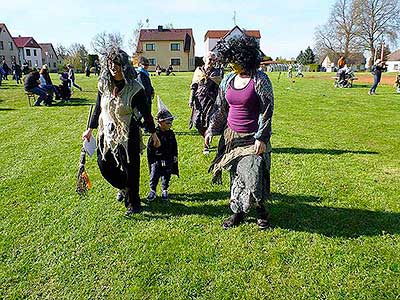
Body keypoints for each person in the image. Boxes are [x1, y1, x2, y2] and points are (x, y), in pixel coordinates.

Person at [205, 36, 274, 230]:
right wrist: (211, 130)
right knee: (236, 176)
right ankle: (238, 212)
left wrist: (262, 137)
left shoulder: (260, 79)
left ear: (245, 58)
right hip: (231, 138)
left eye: (234, 59)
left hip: (253, 138)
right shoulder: (228, 79)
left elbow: (267, 110)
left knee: (253, 176)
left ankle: (261, 211)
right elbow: (220, 109)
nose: (231, 63)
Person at [82, 47, 160, 216]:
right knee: (104, 165)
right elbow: (98, 107)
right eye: (110, 63)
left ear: (124, 66)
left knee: (131, 168)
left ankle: (134, 203)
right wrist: (90, 129)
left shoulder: (135, 88)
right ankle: (125, 187)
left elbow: (146, 113)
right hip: (107, 132)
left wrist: (153, 133)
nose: (113, 67)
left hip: (128, 132)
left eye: (117, 63)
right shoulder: (104, 84)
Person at [189, 51, 222, 154]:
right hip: (199, 101)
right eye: (210, 59)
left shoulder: (216, 73)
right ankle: (207, 136)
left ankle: (206, 146)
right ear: (205, 59)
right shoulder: (198, 71)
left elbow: (220, 87)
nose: (212, 62)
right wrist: (191, 98)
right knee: (197, 122)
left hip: (210, 102)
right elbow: (194, 85)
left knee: (208, 122)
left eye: (213, 60)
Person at [146, 98, 179, 202]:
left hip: (168, 158)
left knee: (166, 174)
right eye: (168, 122)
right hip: (157, 159)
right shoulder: (155, 135)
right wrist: (152, 159)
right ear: (160, 122)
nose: (170, 124)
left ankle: (164, 190)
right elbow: (149, 148)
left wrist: (174, 155)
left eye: (171, 122)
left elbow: (174, 146)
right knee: (154, 174)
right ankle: (153, 191)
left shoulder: (171, 134)